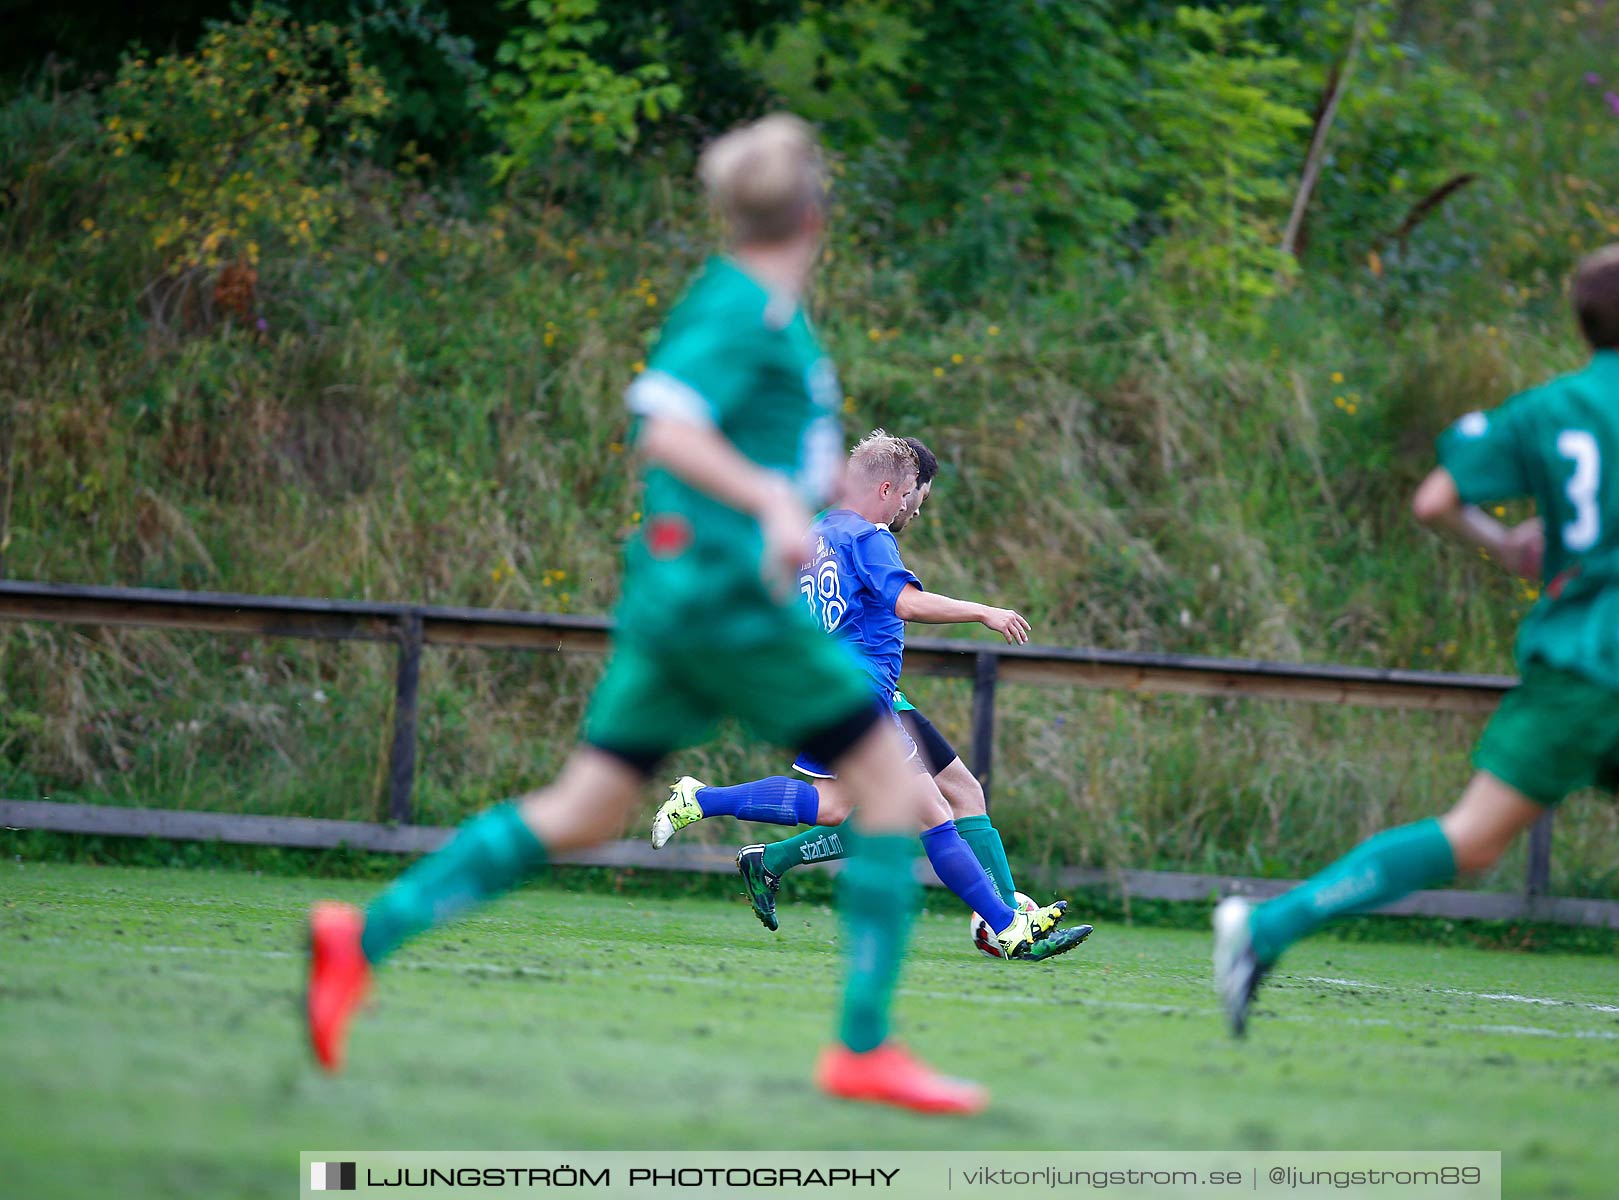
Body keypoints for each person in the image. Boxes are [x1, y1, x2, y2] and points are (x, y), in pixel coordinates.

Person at [305, 114, 1044, 1115]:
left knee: (586, 810)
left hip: (685, 596)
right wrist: (774, 502)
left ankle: (363, 940)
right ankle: (864, 1044)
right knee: (894, 790)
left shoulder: (761, 311)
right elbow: (665, 431)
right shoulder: (743, 311)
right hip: (727, 599)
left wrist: (790, 486)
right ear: (817, 215)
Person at [1212, 243, 1619, 1117]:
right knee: (1482, 839)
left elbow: (1434, 500)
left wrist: (1509, 543)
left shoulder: (1545, 409)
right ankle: (1262, 928)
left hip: (1596, 679)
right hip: (1592, 681)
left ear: (1580, 321)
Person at [651, 432, 1092, 961]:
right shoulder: (868, 536)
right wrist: (983, 611)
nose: (909, 508)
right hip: (858, 696)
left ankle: (700, 799)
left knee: (838, 807)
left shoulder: (818, 532)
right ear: (887, 488)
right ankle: (1008, 924)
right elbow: (906, 603)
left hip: (821, 689)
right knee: (932, 811)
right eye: (909, 496)